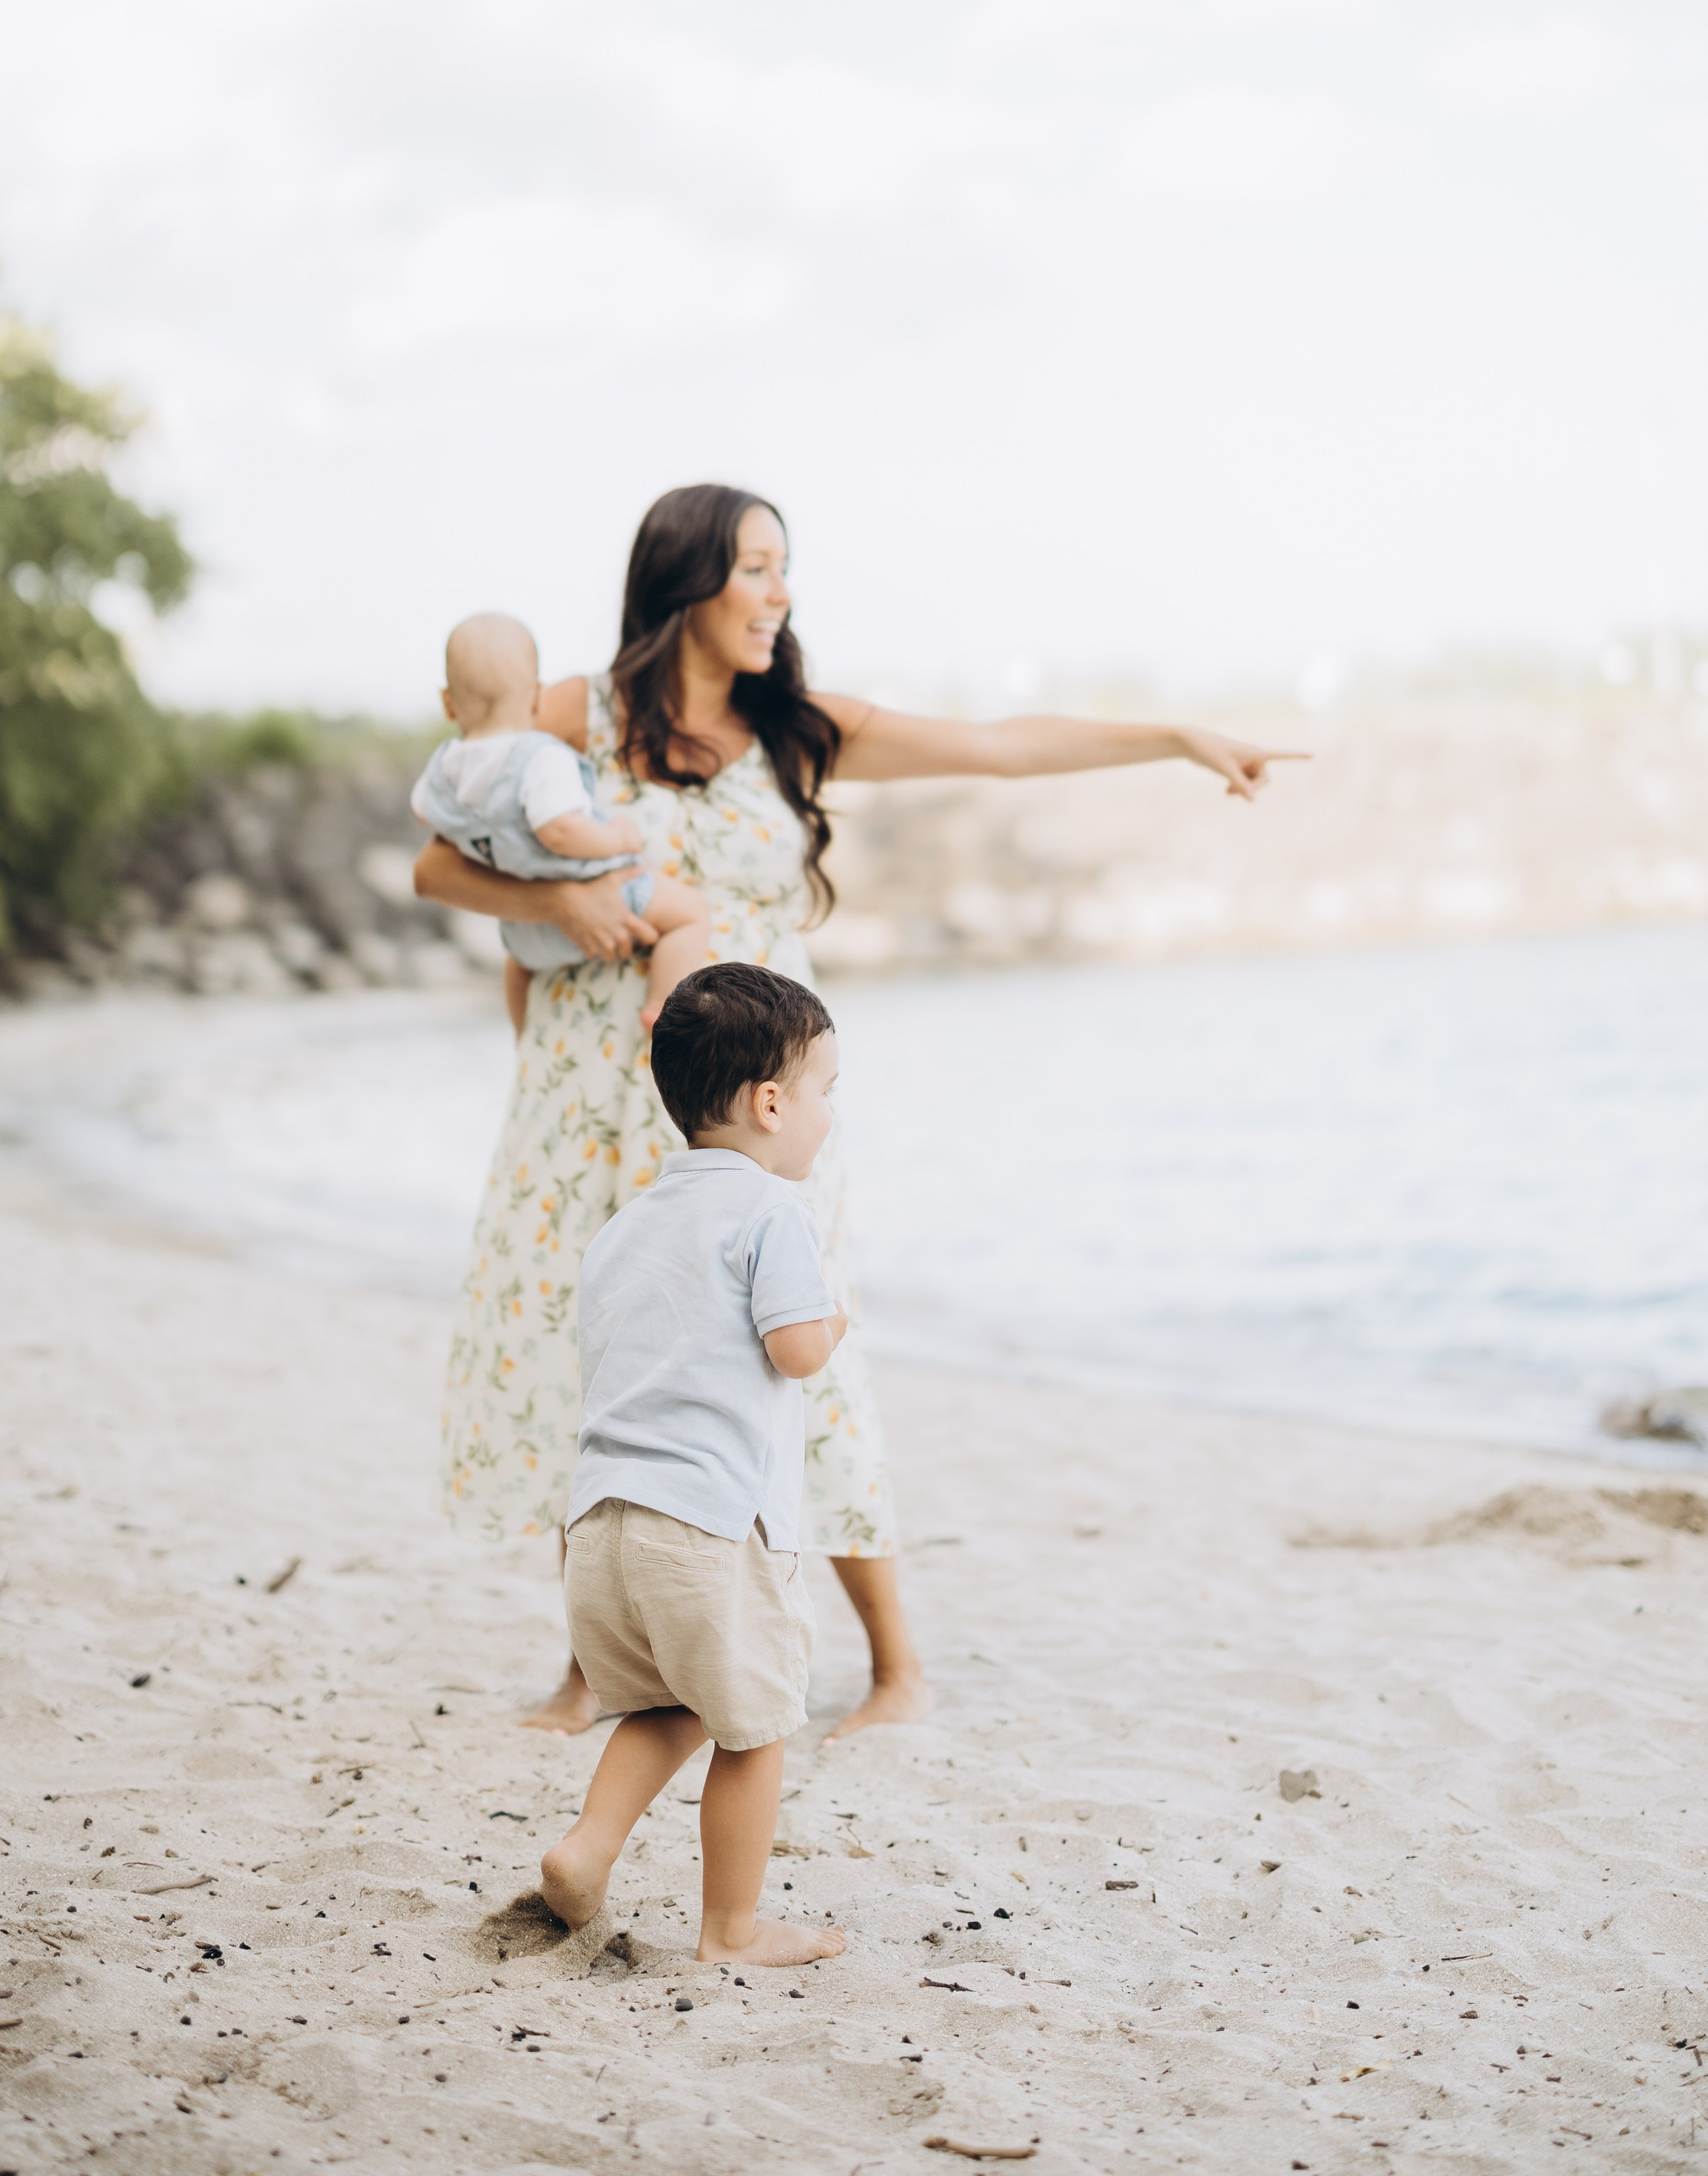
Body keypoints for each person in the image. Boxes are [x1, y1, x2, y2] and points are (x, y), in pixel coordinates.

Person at [414, 482, 1304, 1739]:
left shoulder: (797, 727)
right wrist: (559, 908)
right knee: (606, 1351)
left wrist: (1173, 736)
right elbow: (437, 857)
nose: (782, 595)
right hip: (583, 1094)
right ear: (689, 582)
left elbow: (997, 743)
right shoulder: (582, 718)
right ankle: (597, 1665)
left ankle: (896, 1668)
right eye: (759, 569)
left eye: (786, 570)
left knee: (800, 1347)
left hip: (762, 1099)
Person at [539, 962, 848, 1967]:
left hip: (601, 1525)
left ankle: (588, 1848)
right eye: (823, 1093)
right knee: (755, 1728)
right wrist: (835, 1316)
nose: (827, 1118)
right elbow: (797, 1349)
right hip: (713, 1528)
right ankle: (732, 1929)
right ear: (770, 1103)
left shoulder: (625, 1229)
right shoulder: (772, 1212)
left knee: (664, 1703)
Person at [413, 613, 713, 1035]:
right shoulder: (541, 759)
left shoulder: (442, 771)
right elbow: (560, 830)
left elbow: (426, 811)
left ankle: (525, 1035)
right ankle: (661, 1008)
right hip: (604, 898)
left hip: (524, 932)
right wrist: (615, 837)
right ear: (538, 696)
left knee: (517, 971)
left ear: (448, 703)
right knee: (689, 914)